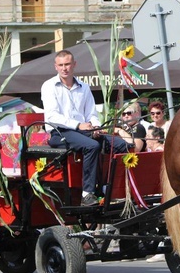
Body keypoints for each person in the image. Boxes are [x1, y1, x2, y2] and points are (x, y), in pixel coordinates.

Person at [42, 49, 131, 206]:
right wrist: (78, 125)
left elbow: (92, 114)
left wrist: (96, 127)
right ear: (55, 67)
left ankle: (111, 189)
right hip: (60, 132)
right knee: (92, 146)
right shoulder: (49, 86)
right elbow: (52, 116)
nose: (64, 68)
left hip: (84, 131)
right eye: (61, 65)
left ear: (74, 65)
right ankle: (87, 194)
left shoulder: (84, 87)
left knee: (122, 145)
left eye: (67, 64)